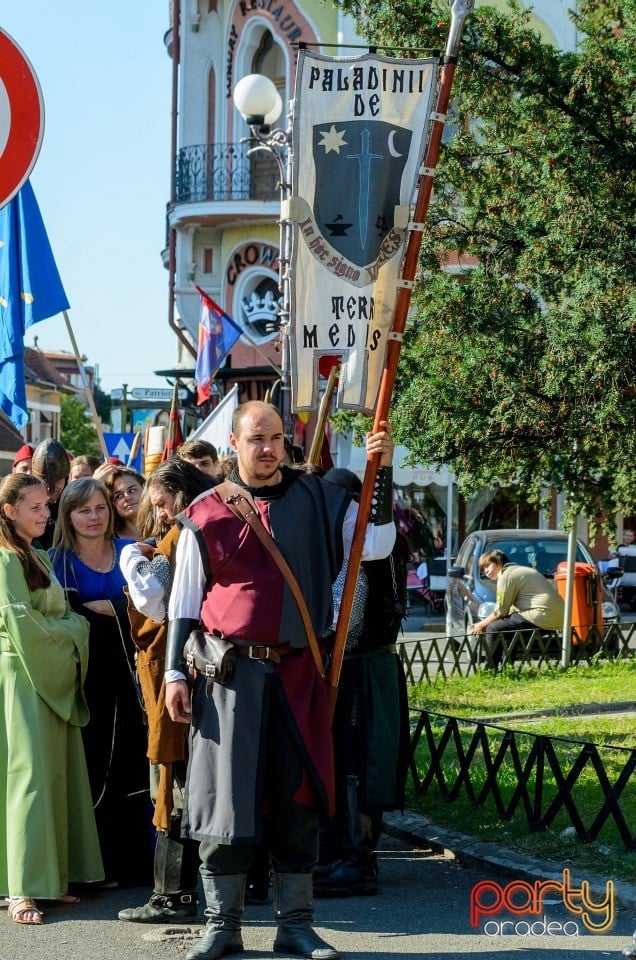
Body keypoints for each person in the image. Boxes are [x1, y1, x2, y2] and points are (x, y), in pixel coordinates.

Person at [165, 400, 396, 960]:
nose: (266, 448)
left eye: (273, 438)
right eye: (254, 439)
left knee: (297, 798)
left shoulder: (321, 498)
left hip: (298, 676)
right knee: (225, 804)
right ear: (234, 446)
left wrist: (380, 474)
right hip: (228, 678)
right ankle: (222, 926)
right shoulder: (208, 511)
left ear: (286, 442)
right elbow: (184, 599)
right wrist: (175, 671)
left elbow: (378, 544)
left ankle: (296, 925)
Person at [0, 474, 103, 924]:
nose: (46, 514)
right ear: (9, 511)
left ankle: (49, 878)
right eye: (36, 507)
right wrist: (77, 629)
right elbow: (26, 628)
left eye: (47, 505)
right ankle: (22, 888)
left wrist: (70, 628)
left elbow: (48, 621)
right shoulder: (5, 560)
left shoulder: (34, 555)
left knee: (54, 775)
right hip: (23, 676)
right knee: (30, 777)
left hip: (45, 671)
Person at [117, 459, 216, 924]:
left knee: (174, 784)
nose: (157, 513)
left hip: (179, 673)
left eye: (160, 502)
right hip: (192, 672)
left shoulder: (181, 536)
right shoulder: (190, 532)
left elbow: (152, 601)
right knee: (185, 781)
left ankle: (171, 897)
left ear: (182, 493)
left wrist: (132, 559)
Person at [50, 478, 153, 886]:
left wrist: (109, 606)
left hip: (133, 678)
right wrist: (113, 608)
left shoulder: (131, 551)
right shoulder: (54, 561)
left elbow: (152, 608)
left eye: (100, 508)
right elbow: (62, 620)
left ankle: (135, 864)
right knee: (90, 766)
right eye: (83, 510)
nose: (94, 517)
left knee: (134, 765)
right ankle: (93, 868)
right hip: (83, 681)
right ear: (68, 516)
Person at [313, 469, 411, 897]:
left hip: (358, 667)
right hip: (372, 667)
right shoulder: (382, 540)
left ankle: (354, 861)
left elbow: (348, 618)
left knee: (354, 764)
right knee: (355, 761)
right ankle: (347, 855)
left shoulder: (367, 547)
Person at [471, 549, 565, 666]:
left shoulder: (506, 576)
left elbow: (501, 611)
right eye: (483, 570)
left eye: (487, 566)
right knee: (509, 627)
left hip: (541, 615)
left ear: (499, 562)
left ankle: (490, 670)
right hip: (560, 617)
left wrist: (481, 624)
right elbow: (509, 610)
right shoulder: (520, 570)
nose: (486, 572)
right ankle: (507, 667)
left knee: (493, 628)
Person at [30, 438, 71, 549]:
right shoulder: (25, 506)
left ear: (66, 479)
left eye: (57, 481)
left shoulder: (73, 505)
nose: (51, 489)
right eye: (46, 481)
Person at [96, 464, 146, 540]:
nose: (127, 497)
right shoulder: (108, 541)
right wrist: (95, 483)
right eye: (119, 496)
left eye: (132, 490)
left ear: (145, 490)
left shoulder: (164, 527)